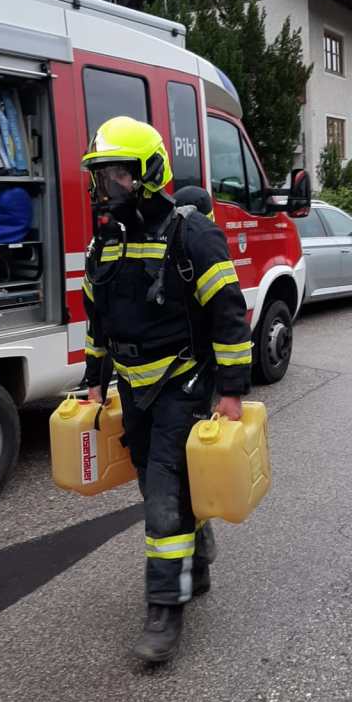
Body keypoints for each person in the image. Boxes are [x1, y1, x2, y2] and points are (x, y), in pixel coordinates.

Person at [81, 116, 251, 663]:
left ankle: (163, 610)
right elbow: (97, 320)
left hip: (183, 381)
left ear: (148, 173)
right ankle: (195, 558)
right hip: (134, 387)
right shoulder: (104, 241)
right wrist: (93, 380)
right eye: (102, 174)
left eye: (118, 173)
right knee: (157, 485)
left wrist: (231, 391)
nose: (107, 185)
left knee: (162, 492)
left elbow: (229, 315)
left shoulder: (191, 234)